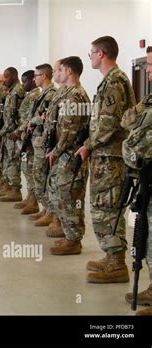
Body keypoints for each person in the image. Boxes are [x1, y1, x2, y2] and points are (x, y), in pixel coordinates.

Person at [75, 36, 137, 283]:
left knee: (108, 209)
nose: (89, 56)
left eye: (91, 52)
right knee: (102, 208)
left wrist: (88, 145)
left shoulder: (114, 81)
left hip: (110, 158)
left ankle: (117, 264)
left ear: (101, 54)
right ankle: (111, 256)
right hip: (105, 157)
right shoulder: (111, 81)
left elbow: (110, 123)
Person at [45, 56, 90, 255]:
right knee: (61, 194)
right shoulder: (69, 93)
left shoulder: (75, 96)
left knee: (70, 196)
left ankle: (73, 240)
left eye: (61, 70)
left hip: (71, 156)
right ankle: (69, 234)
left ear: (69, 71)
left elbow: (69, 131)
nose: (58, 74)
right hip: (65, 154)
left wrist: (55, 151)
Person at [121, 45, 152, 315]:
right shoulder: (149, 100)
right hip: (147, 176)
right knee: (148, 234)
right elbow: (128, 122)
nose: (149, 72)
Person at [28, 61, 62, 235]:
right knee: (39, 176)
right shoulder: (45, 94)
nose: (34, 79)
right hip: (39, 142)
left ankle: (51, 212)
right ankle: (47, 209)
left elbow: (46, 117)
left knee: (44, 177)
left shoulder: (51, 94)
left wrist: (33, 122)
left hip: (46, 142)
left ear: (45, 76)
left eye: (36, 76)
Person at [0, 67, 25, 202]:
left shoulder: (18, 91)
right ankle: (8, 186)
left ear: (13, 76)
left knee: (12, 161)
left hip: (13, 133)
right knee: (7, 159)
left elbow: (14, 117)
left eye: (6, 77)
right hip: (8, 132)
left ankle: (15, 190)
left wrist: (2, 132)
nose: (4, 80)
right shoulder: (11, 91)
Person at [14, 70, 41, 211]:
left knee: (30, 170)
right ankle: (30, 198)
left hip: (30, 139)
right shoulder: (29, 95)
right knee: (26, 168)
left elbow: (32, 117)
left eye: (25, 81)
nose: (22, 84)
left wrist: (19, 130)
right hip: (25, 137)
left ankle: (34, 201)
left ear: (32, 81)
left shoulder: (36, 95)